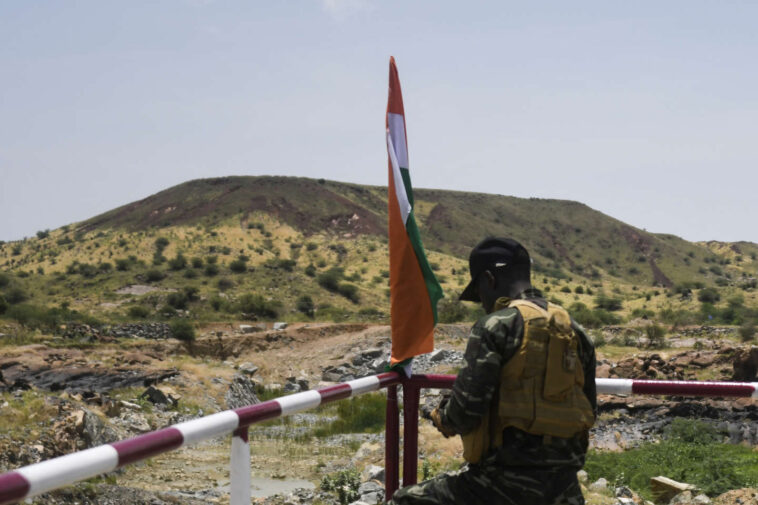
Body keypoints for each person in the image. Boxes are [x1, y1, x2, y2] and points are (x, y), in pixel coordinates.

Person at [391, 237, 597, 505]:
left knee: (403, 500)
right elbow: (589, 409)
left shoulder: (496, 325)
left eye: (479, 293)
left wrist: (441, 416)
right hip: (565, 485)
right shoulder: (576, 330)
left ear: (488, 279)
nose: (483, 303)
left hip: (503, 484)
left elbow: (465, 412)